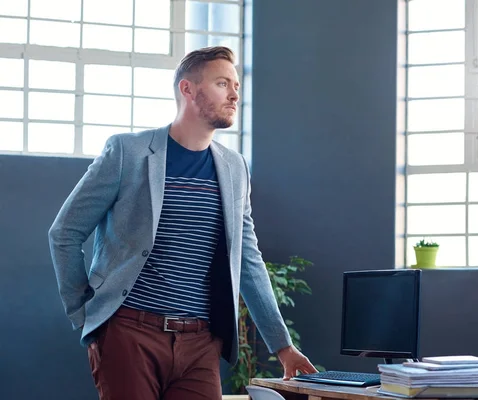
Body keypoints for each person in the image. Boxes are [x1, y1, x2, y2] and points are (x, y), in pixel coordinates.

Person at [48, 46, 317, 400]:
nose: (235, 93)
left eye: (236, 84)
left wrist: (283, 346)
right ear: (187, 89)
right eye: (223, 83)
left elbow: (247, 259)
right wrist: (86, 315)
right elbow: (65, 232)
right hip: (130, 333)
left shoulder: (235, 168)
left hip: (200, 343)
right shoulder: (127, 153)